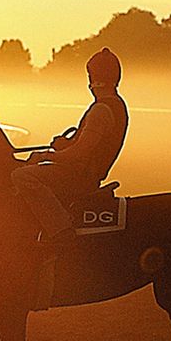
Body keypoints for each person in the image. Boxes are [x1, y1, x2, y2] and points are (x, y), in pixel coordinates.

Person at [11, 47, 129, 245]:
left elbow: (78, 155)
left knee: (22, 175)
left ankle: (60, 231)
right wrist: (65, 144)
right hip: (85, 173)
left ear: (94, 79)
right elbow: (89, 146)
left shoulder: (101, 110)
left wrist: (45, 156)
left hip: (79, 178)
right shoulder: (118, 105)